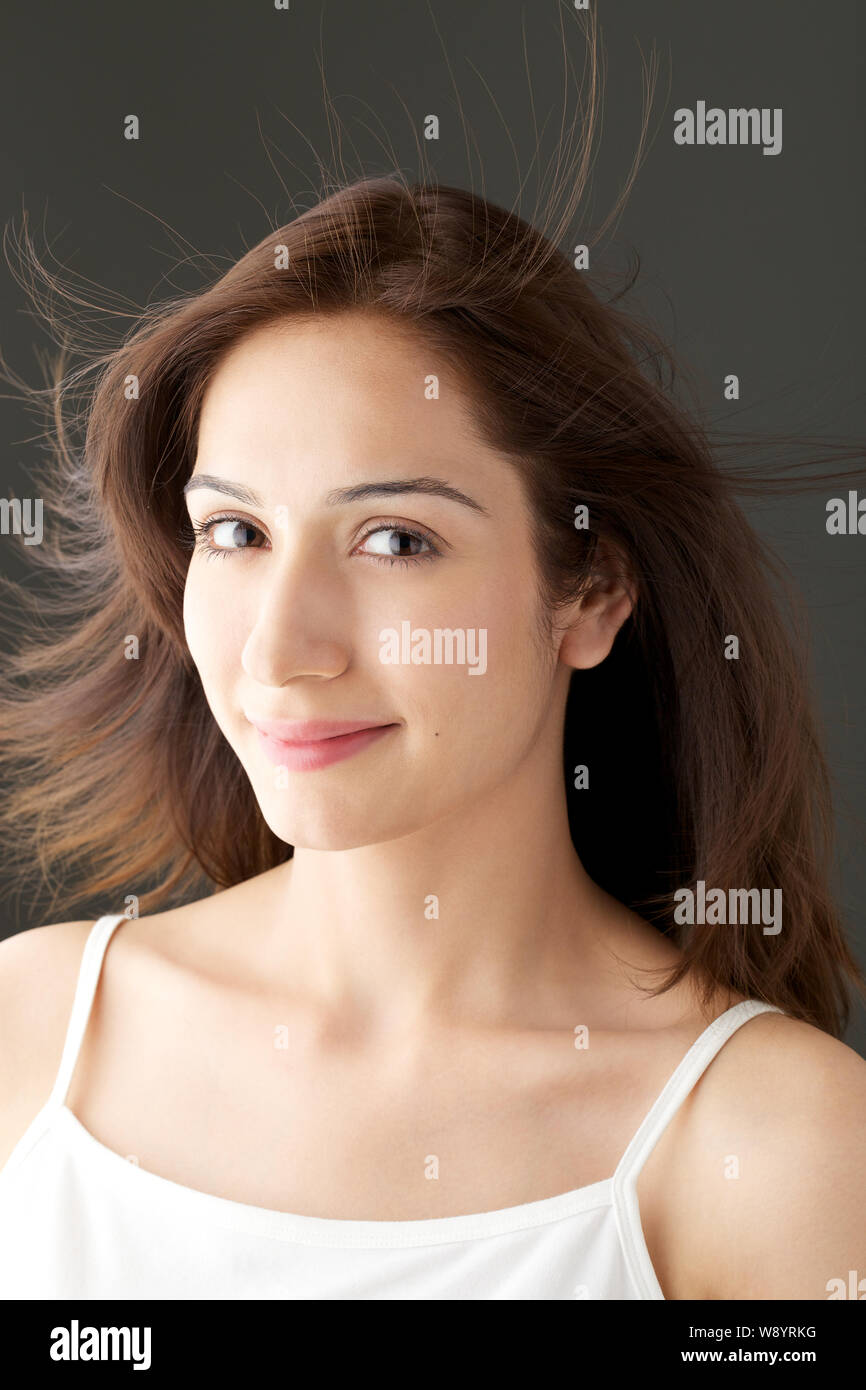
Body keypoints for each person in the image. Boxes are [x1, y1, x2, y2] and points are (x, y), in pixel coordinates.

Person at [0, 172, 864, 1300]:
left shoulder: (774, 1153)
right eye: (236, 530)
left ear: (591, 589)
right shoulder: (32, 1036)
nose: (278, 649)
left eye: (395, 540)